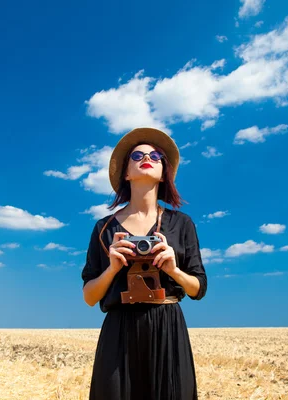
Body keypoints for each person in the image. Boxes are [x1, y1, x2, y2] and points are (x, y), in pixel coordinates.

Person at [81, 127, 208, 400]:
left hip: (167, 327)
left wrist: (173, 269)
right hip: (118, 330)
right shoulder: (104, 229)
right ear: (126, 173)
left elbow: (199, 288)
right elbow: (89, 296)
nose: (147, 158)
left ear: (164, 172)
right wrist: (112, 267)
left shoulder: (182, 223)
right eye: (137, 155)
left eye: (156, 155)